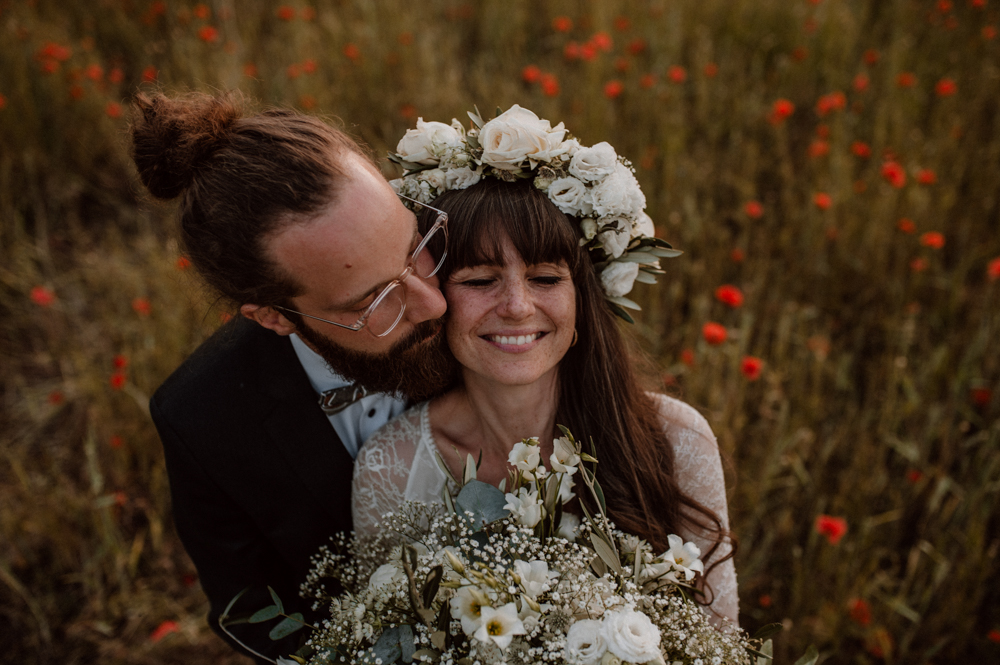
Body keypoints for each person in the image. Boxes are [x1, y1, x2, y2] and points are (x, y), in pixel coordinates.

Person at [352, 107, 739, 626]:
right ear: (434, 300)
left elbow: (722, 640)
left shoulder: (677, 439)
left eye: (546, 279)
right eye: (479, 280)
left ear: (583, 301)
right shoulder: (391, 467)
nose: (517, 307)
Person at [130, 91, 457, 662]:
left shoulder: (487, 298)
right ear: (272, 316)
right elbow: (245, 605)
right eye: (372, 299)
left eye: (415, 247)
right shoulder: (200, 419)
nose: (434, 304)